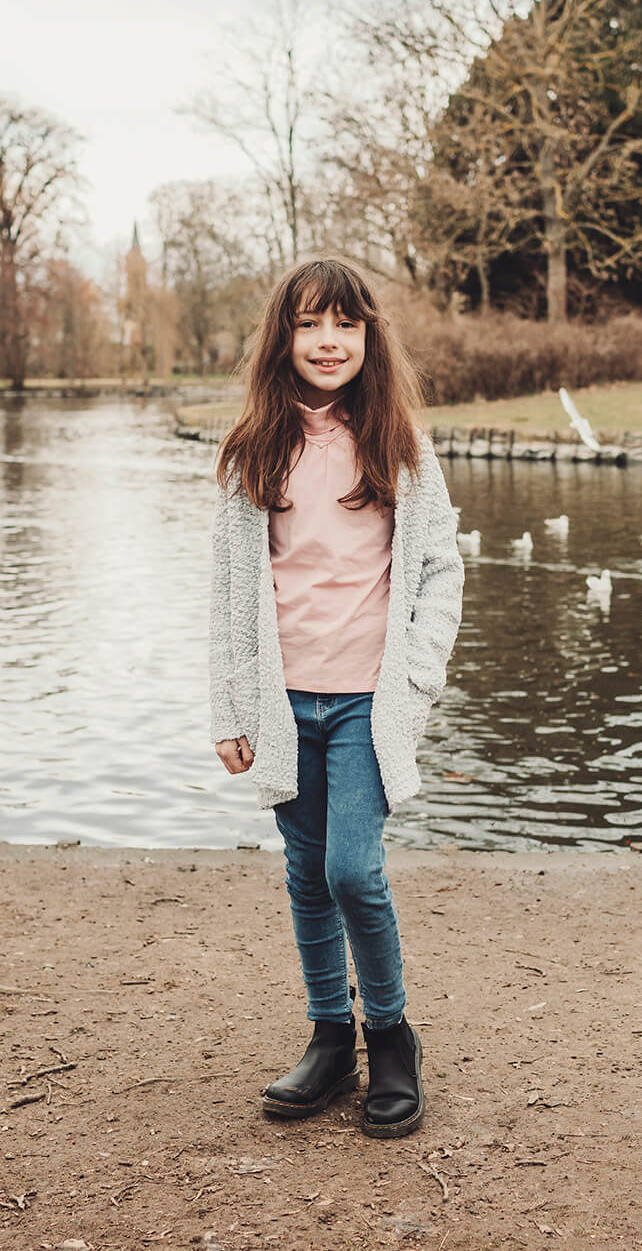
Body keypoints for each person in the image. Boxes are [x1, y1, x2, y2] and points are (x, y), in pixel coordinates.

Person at [207, 255, 464, 1139]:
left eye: (344, 325)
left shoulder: (399, 446)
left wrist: (419, 681)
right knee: (305, 876)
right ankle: (330, 1039)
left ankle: (390, 1038)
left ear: (367, 337)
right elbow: (230, 594)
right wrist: (228, 710)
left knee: (352, 869)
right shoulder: (253, 451)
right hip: (283, 703)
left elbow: (439, 572)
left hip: (366, 701)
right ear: (284, 337)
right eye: (310, 324)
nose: (327, 341)